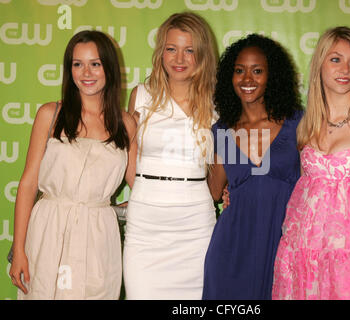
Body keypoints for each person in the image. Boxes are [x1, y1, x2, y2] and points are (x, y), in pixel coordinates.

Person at [272, 26, 350, 300]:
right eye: (336, 59)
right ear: (320, 64)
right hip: (305, 260)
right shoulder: (305, 126)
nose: (345, 69)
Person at [8, 30, 137, 299]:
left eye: (95, 64)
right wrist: (19, 249)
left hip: (98, 235)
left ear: (109, 68)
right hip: (48, 228)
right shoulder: (50, 114)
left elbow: (140, 184)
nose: (86, 73)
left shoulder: (126, 124)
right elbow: (29, 183)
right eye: (77, 64)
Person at [123, 12, 218, 300]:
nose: (179, 58)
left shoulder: (218, 103)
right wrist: (144, 191)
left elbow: (222, 167)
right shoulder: (141, 96)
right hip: (145, 227)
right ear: (161, 52)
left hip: (196, 227)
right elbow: (130, 157)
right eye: (171, 49)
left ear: (201, 55)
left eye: (189, 50)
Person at [202, 34, 303, 300]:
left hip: (285, 244)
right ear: (229, 77)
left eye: (257, 71)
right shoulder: (222, 131)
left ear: (273, 76)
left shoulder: (299, 124)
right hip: (232, 247)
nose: (247, 79)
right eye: (239, 71)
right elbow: (214, 191)